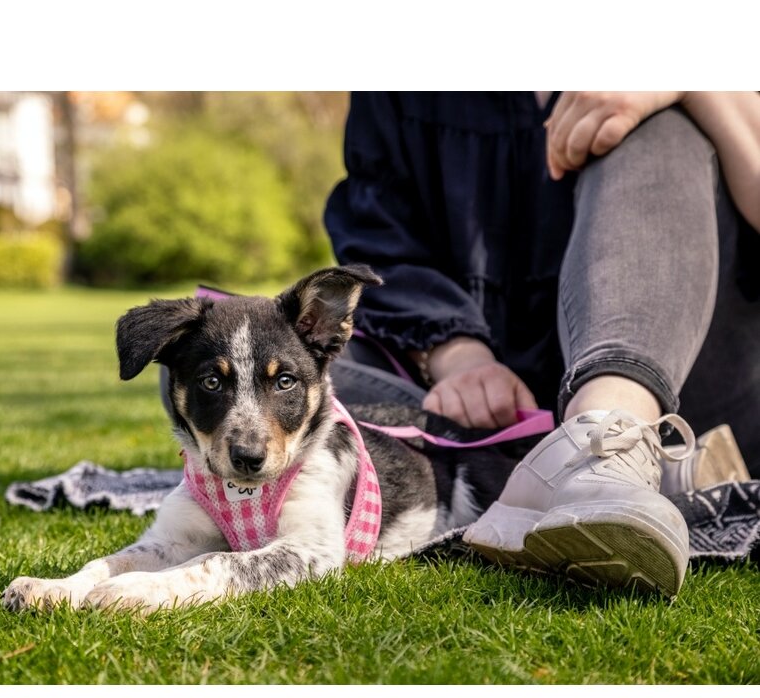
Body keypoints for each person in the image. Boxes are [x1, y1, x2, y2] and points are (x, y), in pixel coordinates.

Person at [325, 92, 760, 597]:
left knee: (655, 127)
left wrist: (690, 81)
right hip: (475, 410)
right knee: (285, 385)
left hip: (684, 392)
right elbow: (379, 235)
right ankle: (572, 481)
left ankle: (607, 447)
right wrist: (459, 357)